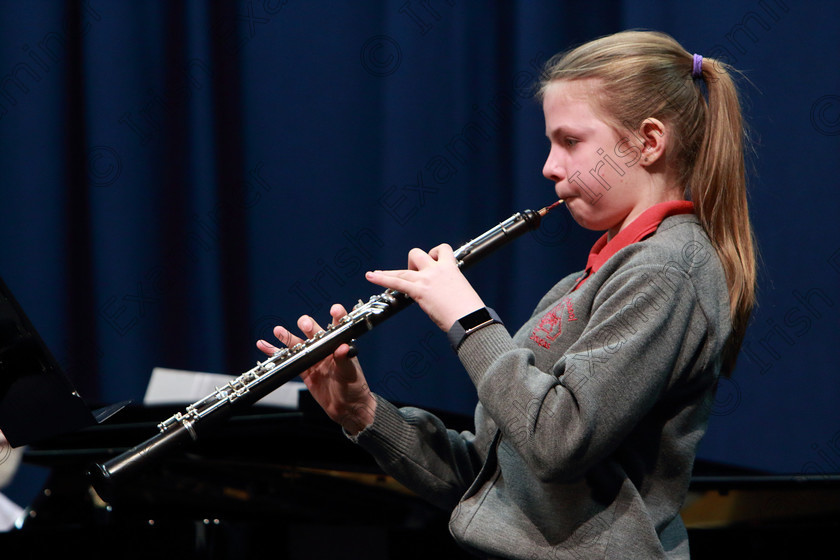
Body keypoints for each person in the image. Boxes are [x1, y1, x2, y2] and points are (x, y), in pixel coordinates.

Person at [258, 30, 756, 559]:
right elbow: (491, 481)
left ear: (649, 142)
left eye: (570, 141)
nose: (549, 166)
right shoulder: (581, 285)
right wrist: (362, 413)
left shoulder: (667, 270)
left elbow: (557, 442)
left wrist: (468, 320)